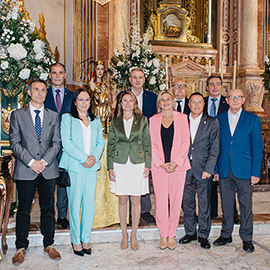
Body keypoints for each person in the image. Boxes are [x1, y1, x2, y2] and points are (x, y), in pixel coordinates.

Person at [9, 80, 61, 265]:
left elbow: (56, 143)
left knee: (48, 208)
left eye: (43, 90)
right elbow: (14, 142)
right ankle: (21, 247)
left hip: (48, 169)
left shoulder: (53, 116)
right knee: (24, 210)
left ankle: (49, 244)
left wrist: (44, 162)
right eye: (36, 89)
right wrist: (32, 162)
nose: (40, 93)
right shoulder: (17, 115)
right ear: (30, 92)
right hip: (25, 169)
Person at [213, 89, 263, 253]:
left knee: (246, 206)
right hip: (224, 168)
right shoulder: (219, 119)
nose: (234, 100)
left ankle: (247, 238)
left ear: (243, 100)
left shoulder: (252, 119)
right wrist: (216, 169)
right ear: (226, 100)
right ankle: (226, 234)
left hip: (245, 169)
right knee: (226, 205)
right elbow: (216, 146)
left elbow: (257, 147)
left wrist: (256, 172)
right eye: (231, 97)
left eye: (238, 97)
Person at [59, 89, 105, 256]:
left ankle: (86, 238)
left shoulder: (96, 120)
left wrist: (93, 157)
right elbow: (67, 143)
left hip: (91, 167)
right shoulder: (67, 118)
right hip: (75, 167)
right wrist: (85, 158)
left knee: (89, 205)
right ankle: (75, 240)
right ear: (75, 101)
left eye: (87, 100)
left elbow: (100, 141)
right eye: (81, 99)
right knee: (74, 203)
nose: (84, 103)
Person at [107, 91, 151, 250]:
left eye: (130, 100)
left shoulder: (142, 120)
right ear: (121, 104)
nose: (127, 103)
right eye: (124, 100)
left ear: (134, 103)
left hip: (138, 163)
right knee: (122, 200)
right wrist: (110, 167)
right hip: (120, 163)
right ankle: (124, 234)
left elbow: (147, 143)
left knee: (136, 200)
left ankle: (134, 234)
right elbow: (110, 145)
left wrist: (148, 164)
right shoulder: (115, 121)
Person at [114, 67, 157, 225]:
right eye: (134, 77)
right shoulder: (122, 96)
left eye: (140, 77)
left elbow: (154, 121)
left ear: (144, 79)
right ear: (130, 80)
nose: (137, 80)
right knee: (126, 181)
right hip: (126, 147)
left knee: (143, 180)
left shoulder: (152, 97)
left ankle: (144, 211)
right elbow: (116, 119)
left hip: (144, 142)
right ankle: (129, 214)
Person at [149, 91, 190, 250]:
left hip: (178, 167)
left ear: (173, 101)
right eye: (162, 99)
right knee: (160, 200)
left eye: (168, 99)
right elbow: (151, 143)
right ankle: (162, 233)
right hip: (159, 167)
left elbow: (186, 142)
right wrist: (161, 163)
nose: (165, 102)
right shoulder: (153, 120)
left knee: (175, 200)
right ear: (159, 103)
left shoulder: (182, 118)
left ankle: (171, 233)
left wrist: (176, 162)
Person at [179, 92, 220, 250]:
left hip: (203, 169)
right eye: (193, 102)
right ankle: (190, 232)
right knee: (187, 203)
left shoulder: (212, 122)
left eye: (199, 102)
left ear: (204, 105)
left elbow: (215, 148)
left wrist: (209, 169)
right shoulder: (181, 120)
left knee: (204, 203)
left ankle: (203, 234)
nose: (196, 105)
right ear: (188, 105)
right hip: (184, 168)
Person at [204, 75, 239, 224]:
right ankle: (212, 212)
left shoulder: (228, 102)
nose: (214, 87)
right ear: (207, 87)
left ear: (221, 86)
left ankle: (232, 214)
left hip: (225, 148)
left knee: (228, 183)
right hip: (206, 148)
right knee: (209, 181)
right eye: (211, 84)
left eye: (217, 84)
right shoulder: (201, 102)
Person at [44, 62, 74, 229]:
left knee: (63, 181)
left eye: (60, 72)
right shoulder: (43, 94)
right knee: (48, 182)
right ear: (50, 75)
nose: (57, 75)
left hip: (66, 146)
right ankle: (48, 215)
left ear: (64, 75)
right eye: (54, 73)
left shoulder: (72, 96)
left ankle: (62, 216)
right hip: (46, 147)